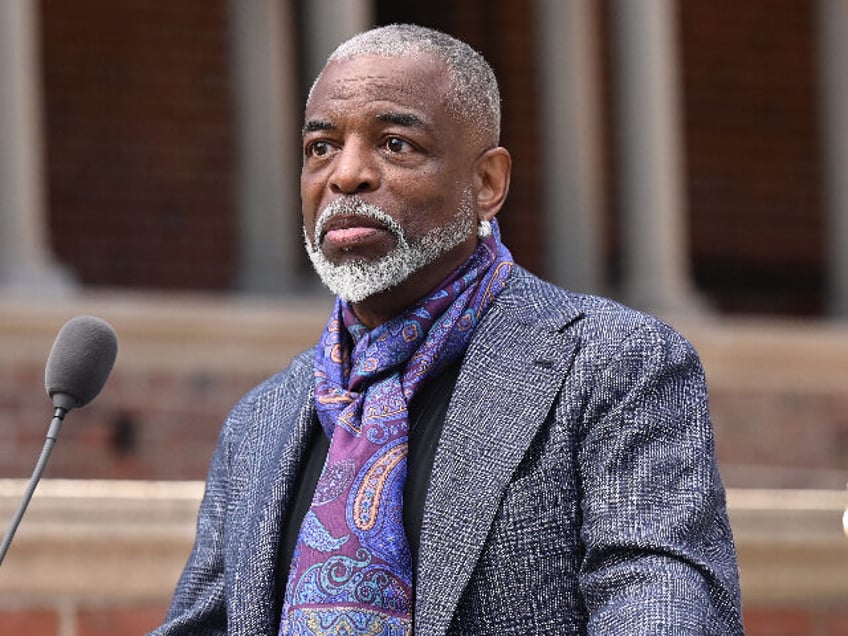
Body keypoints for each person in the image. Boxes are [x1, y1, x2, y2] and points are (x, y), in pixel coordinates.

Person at [151, 24, 744, 635]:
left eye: (395, 144)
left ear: (487, 184)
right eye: (321, 147)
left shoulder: (613, 364)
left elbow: (661, 607)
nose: (346, 174)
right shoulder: (261, 421)